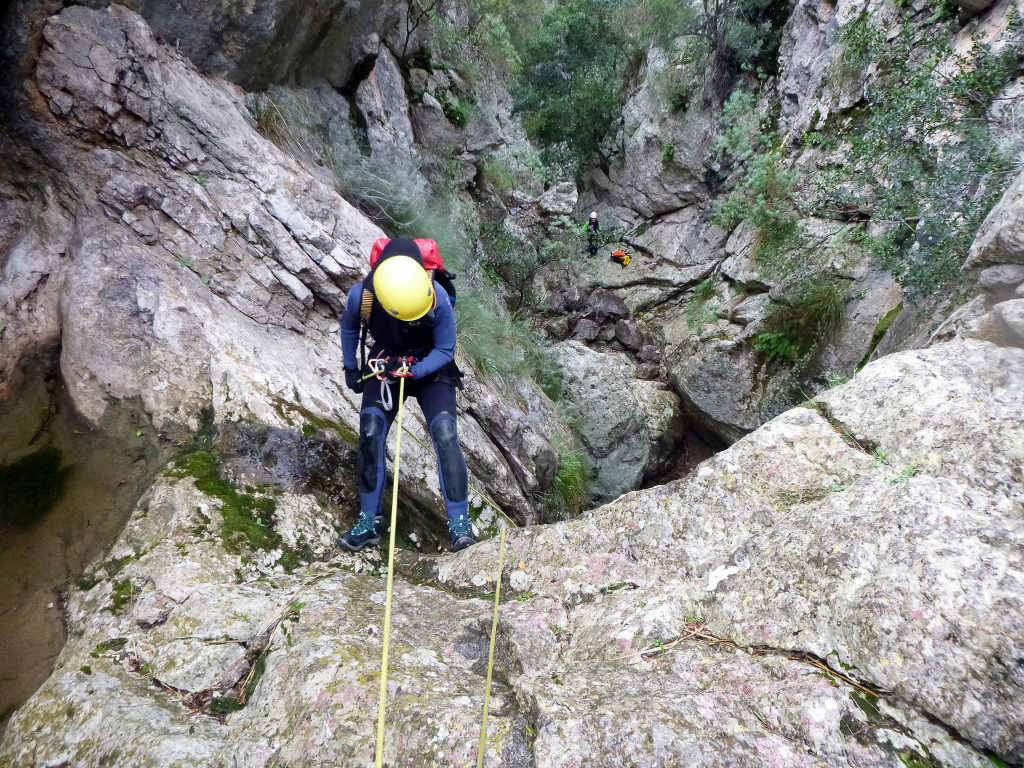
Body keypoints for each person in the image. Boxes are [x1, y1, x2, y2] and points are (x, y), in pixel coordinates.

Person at [337, 238, 475, 553]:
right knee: (370, 432)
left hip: (429, 362)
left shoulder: (436, 295)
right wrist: (351, 368)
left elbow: (445, 349)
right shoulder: (363, 295)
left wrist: (413, 371)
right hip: (386, 360)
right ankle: (368, 522)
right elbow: (349, 327)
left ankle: (460, 524)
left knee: (445, 433)